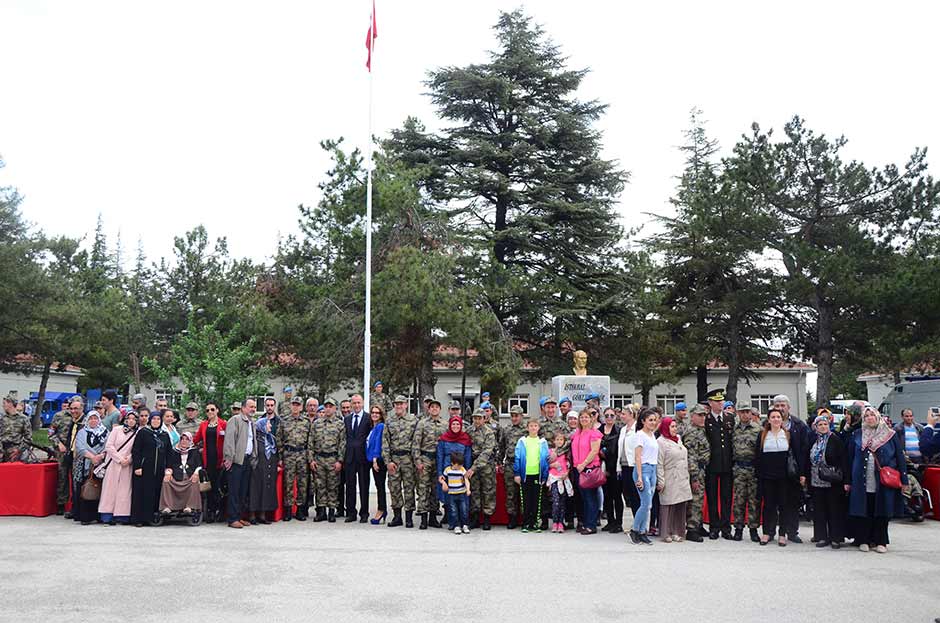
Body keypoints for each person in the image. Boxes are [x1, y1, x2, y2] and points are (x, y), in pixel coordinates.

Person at [846, 406, 906, 553]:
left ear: (878, 416)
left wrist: (904, 480)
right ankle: (863, 539)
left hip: (883, 481)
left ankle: (881, 541)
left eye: (872, 415)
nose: (869, 418)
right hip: (862, 480)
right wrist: (847, 481)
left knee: (882, 510)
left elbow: (900, 457)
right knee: (864, 509)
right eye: (866, 416)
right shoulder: (857, 434)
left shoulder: (890, 435)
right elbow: (849, 458)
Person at [802, 414, 848, 549]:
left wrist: (846, 480)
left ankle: (836, 538)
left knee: (834, 509)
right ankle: (821, 536)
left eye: (825, 424)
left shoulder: (835, 440)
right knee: (819, 510)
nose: (823, 427)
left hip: (832, 480)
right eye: (820, 425)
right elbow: (807, 458)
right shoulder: (813, 440)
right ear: (815, 427)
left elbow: (843, 460)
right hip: (816, 480)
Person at [773, 394, 809, 543]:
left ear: (789, 407)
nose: (780, 409)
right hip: (774, 471)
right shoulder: (767, 424)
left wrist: (802, 473)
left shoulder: (799, 425)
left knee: (792, 502)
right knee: (775, 502)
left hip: (793, 471)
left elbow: (804, 450)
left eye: (783, 405)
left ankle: (792, 532)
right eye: (777, 406)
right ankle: (772, 531)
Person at [755, 408, 792, 546]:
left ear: (782, 420)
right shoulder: (763, 435)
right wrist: (759, 475)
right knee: (768, 506)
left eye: (778, 417)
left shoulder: (787, 434)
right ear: (769, 419)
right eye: (773, 417)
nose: (776, 419)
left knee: (783, 505)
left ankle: (782, 534)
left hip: (783, 477)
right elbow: (757, 456)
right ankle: (767, 533)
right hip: (767, 476)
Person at [130, 410, 171, 527]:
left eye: (158, 419)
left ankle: (152, 517)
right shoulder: (143, 433)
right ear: (150, 420)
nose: (156, 421)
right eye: (153, 419)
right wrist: (137, 466)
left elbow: (168, 452)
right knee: (142, 493)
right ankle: (139, 519)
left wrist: (168, 468)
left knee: (155, 493)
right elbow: (136, 451)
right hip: (144, 468)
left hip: (158, 470)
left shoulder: (164, 435)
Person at [383, 395, 418, 528]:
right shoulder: (389, 421)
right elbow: (385, 442)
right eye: (396, 404)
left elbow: (416, 442)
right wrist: (387, 462)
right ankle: (397, 517)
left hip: (408, 458)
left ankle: (409, 517)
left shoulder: (413, 420)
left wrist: (416, 461)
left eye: (401, 404)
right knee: (394, 488)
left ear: (406, 405)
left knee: (409, 488)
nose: (398, 406)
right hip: (394, 459)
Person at [222, 399, 258, 529]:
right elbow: (229, 440)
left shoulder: (251, 423)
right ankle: (232, 518)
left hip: (247, 460)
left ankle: (239, 516)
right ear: (243, 408)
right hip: (236, 461)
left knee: (243, 491)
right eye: (250, 407)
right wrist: (228, 458)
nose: (253, 409)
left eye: (254, 407)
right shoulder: (235, 420)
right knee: (234, 491)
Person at [309, 397, 346, 523]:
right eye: (326, 406)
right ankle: (321, 512)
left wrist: (340, 461)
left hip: (332, 459)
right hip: (319, 458)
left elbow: (342, 444)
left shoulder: (340, 424)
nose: (328, 409)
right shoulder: (316, 423)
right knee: (319, 486)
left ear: (335, 408)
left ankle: (331, 511)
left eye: (331, 406)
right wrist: (311, 460)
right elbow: (310, 443)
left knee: (332, 486)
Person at [704, 389, 734, 540]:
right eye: (717, 401)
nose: (721, 403)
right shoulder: (706, 420)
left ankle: (726, 527)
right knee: (712, 497)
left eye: (722, 400)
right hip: (712, 465)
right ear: (710, 403)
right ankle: (714, 527)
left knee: (726, 497)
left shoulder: (730, 418)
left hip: (727, 465)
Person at [413, 397, 447, 529]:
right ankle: (423, 518)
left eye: (437, 407)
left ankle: (433, 517)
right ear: (429, 409)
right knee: (423, 488)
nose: (434, 409)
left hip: (438, 460)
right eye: (432, 407)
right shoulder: (422, 423)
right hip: (425, 458)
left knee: (435, 489)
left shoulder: (445, 424)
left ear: (440, 409)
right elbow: (416, 443)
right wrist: (418, 461)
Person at [656, 417, 692, 542]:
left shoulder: (678, 439)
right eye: (672, 426)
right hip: (669, 476)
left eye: (675, 426)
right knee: (668, 505)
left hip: (681, 476)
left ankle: (678, 531)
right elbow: (659, 463)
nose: (675, 429)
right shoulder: (661, 442)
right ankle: (667, 532)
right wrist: (661, 481)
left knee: (680, 505)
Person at [98, 410, 138, 525]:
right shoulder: (116, 430)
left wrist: (129, 459)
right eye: (129, 418)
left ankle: (122, 515)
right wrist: (119, 459)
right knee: (109, 489)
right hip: (113, 463)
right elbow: (109, 446)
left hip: (127, 465)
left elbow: (136, 449)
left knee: (124, 491)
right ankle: (107, 515)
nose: (131, 421)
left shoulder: (137, 433)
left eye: (133, 419)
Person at [277, 396, 311, 521]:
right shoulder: (284, 420)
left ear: (301, 407)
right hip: (288, 454)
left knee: (302, 483)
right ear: (290, 406)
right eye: (293, 404)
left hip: (302, 454)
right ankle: (288, 509)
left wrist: (309, 457)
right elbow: (279, 440)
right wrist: (280, 457)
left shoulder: (307, 421)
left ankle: (300, 510)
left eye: (298, 405)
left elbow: (310, 441)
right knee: (288, 483)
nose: (295, 407)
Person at [731, 404, 762, 542]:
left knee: (753, 500)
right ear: (738, 413)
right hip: (738, 469)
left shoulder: (758, 429)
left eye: (747, 412)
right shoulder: (734, 429)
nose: (744, 414)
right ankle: (738, 529)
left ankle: (753, 529)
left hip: (753, 468)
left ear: (751, 413)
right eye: (742, 412)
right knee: (739, 500)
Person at [513, 418, 550, 533]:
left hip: (537, 475)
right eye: (531, 426)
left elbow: (545, 459)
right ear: (527, 428)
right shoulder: (522, 441)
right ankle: (525, 523)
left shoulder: (543, 442)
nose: (533, 428)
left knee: (536, 500)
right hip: (525, 475)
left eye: (535, 426)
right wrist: (517, 473)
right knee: (526, 500)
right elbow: (517, 457)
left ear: (538, 428)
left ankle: (534, 523)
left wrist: (544, 476)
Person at [49, 397, 85, 514]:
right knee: (62, 477)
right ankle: (61, 503)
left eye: (76, 407)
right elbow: (51, 433)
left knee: (77, 478)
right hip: (62, 451)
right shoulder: (59, 416)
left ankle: (76, 503)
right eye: (71, 407)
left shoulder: (84, 418)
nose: (73, 410)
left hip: (76, 453)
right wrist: (58, 444)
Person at [437, 415, 473, 528]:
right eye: (453, 424)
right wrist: (440, 474)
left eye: (458, 424)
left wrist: (467, 472)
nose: (455, 426)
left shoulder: (465, 438)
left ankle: (464, 522)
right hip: (447, 471)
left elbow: (468, 457)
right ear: (449, 425)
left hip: (461, 472)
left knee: (462, 499)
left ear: (461, 426)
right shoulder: (444, 438)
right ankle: (452, 522)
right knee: (449, 498)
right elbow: (439, 456)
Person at [73, 411, 109, 524]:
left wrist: (100, 456)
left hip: (100, 466)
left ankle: (98, 515)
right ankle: (84, 516)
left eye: (95, 418)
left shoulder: (106, 432)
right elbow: (79, 447)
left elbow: (108, 446)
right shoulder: (82, 432)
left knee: (99, 488)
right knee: (85, 488)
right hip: (84, 464)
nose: (93, 421)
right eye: (91, 419)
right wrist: (92, 457)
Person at [193, 402, 226, 523]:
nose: (210, 412)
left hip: (220, 460)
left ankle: (220, 511)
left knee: (220, 487)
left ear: (217, 410)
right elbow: (196, 439)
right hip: (208, 460)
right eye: (207, 410)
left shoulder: (224, 424)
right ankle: (211, 512)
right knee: (210, 487)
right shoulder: (203, 425)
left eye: (212, 409)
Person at [571, 408, 603, 535]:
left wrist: (583, 464)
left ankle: (591, 525)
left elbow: (594, 450)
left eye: (587, 417)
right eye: (582, 417)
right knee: (583, 497)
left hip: (589, 468)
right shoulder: (577, 433)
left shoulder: (594, 433)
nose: (584, 419)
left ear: (591, 419)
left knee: (590, 497)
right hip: (577, 468)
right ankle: (585, 522)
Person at [629, 409, 659, 545]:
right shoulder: (640, 435)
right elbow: (638, 457)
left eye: (654, 420)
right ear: (643, 421)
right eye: (650, 420)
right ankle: (635, 530)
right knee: (646, 503)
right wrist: (640, 477)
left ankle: (642, 531)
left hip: (653, 469)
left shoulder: (652, 435)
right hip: (643, 470)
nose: (653, 422)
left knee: (648, 504)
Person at [249, 400, 279, 524]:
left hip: (269, 469)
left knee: (266, 491)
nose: (270, 426)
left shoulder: (271, 439)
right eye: (267, 425)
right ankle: (252, 515)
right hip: (257, 469)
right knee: (255, 492)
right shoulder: (256, 439)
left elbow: (275, 452)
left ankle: (262, 515)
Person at [343, 394, 372, 523]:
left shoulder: (368, 418)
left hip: (363, 458)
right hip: (349, 457)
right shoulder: (347, 419)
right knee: (350, 486)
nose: (356, 405)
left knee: (364, 486)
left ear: (363, 403)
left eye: (358, 403)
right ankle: (351, 512)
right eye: (354, 403)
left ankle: (364, 513)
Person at [467, 409, 497, 530]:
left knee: (488, 491)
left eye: (479, 418)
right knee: (474, 491)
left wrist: (473, 468)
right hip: (472, 464)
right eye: (475, 418)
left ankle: (486, 518)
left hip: (486, 465)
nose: (477, 421)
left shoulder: (489, 432)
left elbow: (486, 452)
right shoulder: (469, 430)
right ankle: (475, 518)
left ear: (484, 419)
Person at [159, 431, 203, 513]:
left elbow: (200, 465)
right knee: (166, 481)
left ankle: (190, 506)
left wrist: (196, 473)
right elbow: (169, 465)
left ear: (190, 441)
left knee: (194, 481)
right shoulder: (174, 452)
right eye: (182, 439)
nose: (184, 441)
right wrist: (168, 473)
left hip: (190, 475)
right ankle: (167, 506)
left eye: (186, 439)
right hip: (176, 475)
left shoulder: (194, 452)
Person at [683, 404, 709, 542]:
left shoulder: (701, 430)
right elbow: (691, 456)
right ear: (692, 417)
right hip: (696, 470)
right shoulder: (692, 432)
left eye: (704, 415)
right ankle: (692, 529)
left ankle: (698, 525)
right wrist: (694, 477)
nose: (702, 418)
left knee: (699, 499)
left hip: (702, 469)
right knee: (695, 500)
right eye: (699, 415)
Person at [499, 405, 527, 529]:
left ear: (522, 416)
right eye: (513, 416)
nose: (514, 418)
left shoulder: (527, 430)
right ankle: (512, 518)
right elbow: (502, 447)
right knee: (511, 493)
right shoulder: (506, 429)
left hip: (524, 464)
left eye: (517, 416)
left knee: (524, 492)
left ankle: (525, 518)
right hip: (510, 463)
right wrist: (499, 462)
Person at [599, 407, 623, 533]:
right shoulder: (599, 430)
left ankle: (618, 523)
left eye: (611, 415)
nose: (609, 418)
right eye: (607, 415)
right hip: (602, 467)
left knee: (617, 496)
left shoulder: (619, 431)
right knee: (606, 496)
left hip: (615, 468)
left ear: (615, 417)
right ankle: (610, 521)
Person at [616, 406, 639, 524]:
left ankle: (639, 523)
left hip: (634, 466)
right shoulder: (623, 429)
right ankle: (636, 523)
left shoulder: (637, 429)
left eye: (624, 414)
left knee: (636, 496)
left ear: (631, 415)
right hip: (624, 466)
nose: (621, 416)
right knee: (629, 496)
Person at [546, 431, 573, 533]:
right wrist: (551, 465)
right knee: (555, 502)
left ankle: (561, 522)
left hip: (564, 479)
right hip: (554, 479)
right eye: (557, 439)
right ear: (554, 441)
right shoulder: (550, 451)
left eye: (561, 439)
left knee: (562, 502)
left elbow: (569, 464)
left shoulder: (566, 452)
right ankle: (554, 522)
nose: (559, 441)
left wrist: (567, 473)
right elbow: (545, 464)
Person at [440, 451, 472, 534]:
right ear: (452, 463)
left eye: (461, 465)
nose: (460, 467)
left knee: (464, 510)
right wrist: (443, 483)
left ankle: (465, 525)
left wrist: (468, 489)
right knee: (453, 511)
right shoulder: (447, 470)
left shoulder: (462, 470)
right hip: (451, 494)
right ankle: (456, 525)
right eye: (458, 465)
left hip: (461, 493)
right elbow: (443, 479)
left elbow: (466, 480)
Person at [366, 404, 388, 524]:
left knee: (380, 487)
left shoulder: (380, 426)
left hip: (378, 460)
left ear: (381, 415)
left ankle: (381, 510)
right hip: (372, 459)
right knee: (378, 485)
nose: (374, 414)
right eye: (373, 412)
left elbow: (378, 444)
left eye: (377, 413)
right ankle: (382, 509)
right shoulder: (373, 427)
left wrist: (375, 460)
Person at [1, 395, 31, 462]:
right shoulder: (2, 418)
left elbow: (28, 438)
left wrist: (19, 450)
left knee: (12, 471)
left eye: (4, 403)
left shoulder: (23, 419)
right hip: (2, 450)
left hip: (15, 451)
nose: (2, 405)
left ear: (10, 404)